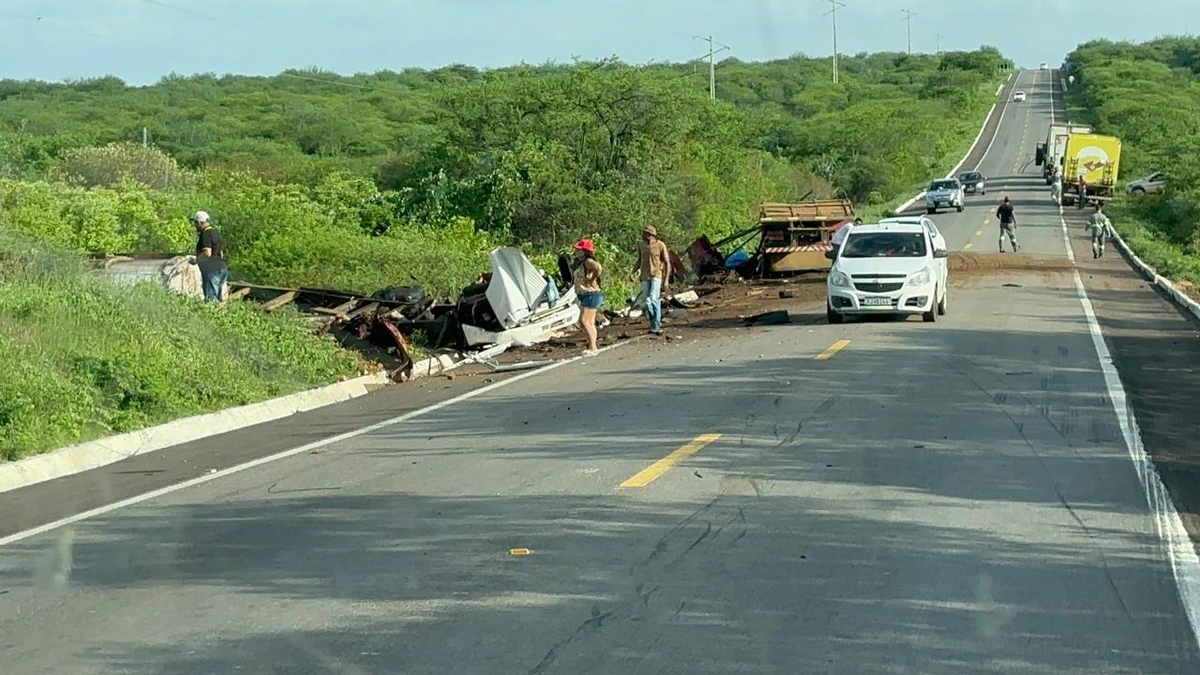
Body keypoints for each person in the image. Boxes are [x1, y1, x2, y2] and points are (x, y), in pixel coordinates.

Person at [632, 225, 671, 335]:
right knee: (647, 300)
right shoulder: (642, 246)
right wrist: (633, 272)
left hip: (656, 274)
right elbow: (639, 260)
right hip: (645, 276)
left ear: (650, 235)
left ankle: (657, 323)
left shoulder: (660, 245)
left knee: (653, 298)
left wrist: (666, 279)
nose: (643, 235)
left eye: (645, 233)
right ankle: (653, 323)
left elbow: (667, 262)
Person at [572, 239, 603, 357]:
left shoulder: (588, 261)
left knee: (585, 320)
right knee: (589, 322)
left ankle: (593, 347)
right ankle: (592, 345)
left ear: (584, 251)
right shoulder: (582, 262)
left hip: (591, 294)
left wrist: (592, 279)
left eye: (579, 250)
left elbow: (598, 268)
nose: (576, 252)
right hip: (588, 295)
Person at [189, 210, 228, 302]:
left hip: (212, 271)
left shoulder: (205, 234)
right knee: (219, 299)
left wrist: (196, 260)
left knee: (211, 300)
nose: (195, 225)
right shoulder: (215, 233)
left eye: (195, 223)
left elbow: (207, 253)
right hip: (222, 268)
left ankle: (211, 311)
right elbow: (221, 253)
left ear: (200, 222)